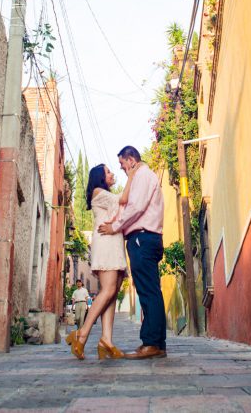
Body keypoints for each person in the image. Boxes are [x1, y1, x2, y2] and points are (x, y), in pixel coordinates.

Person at [96, 146, 165, 359]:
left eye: (123, 164)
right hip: (145, 238)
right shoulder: (143, 176)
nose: (122, 169)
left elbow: (135, 207)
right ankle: (157, 343)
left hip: (142, 238)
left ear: (131, 159)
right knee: (151, 290)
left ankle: (152, 344)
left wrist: (115, 228)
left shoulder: (143, 175)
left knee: (148, 291)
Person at [65, 164, 127, 360]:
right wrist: (133, 174)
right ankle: (82, 334)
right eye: (108, 172)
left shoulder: (105, 194)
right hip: (106, 242)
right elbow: (123, 201)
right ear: (100, 177)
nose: (112, 174)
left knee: (112, 292)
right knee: (108, 290)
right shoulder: (98, 191)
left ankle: (106, 340)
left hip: (114, 242)